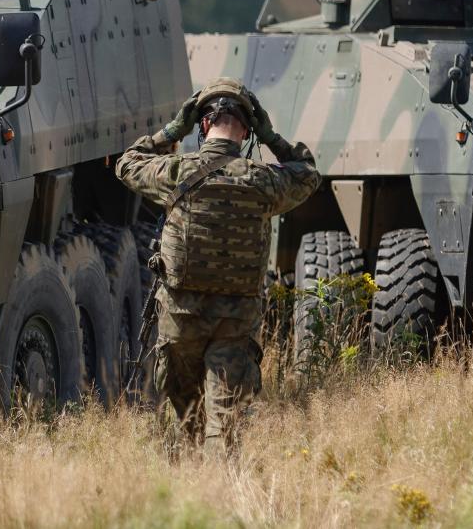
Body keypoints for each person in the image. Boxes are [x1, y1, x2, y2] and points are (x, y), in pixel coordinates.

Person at [115, 78, 320, 454]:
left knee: (188, 423)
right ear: (246, 128)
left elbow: (127, 164)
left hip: (180, 321)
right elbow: (307, 173)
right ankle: (220, 493)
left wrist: (173, 130)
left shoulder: (175, 171)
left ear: (204, 124)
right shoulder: (264, 181)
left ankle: (190, 494)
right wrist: (271, 136)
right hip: (235, 324)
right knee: (223, 432)